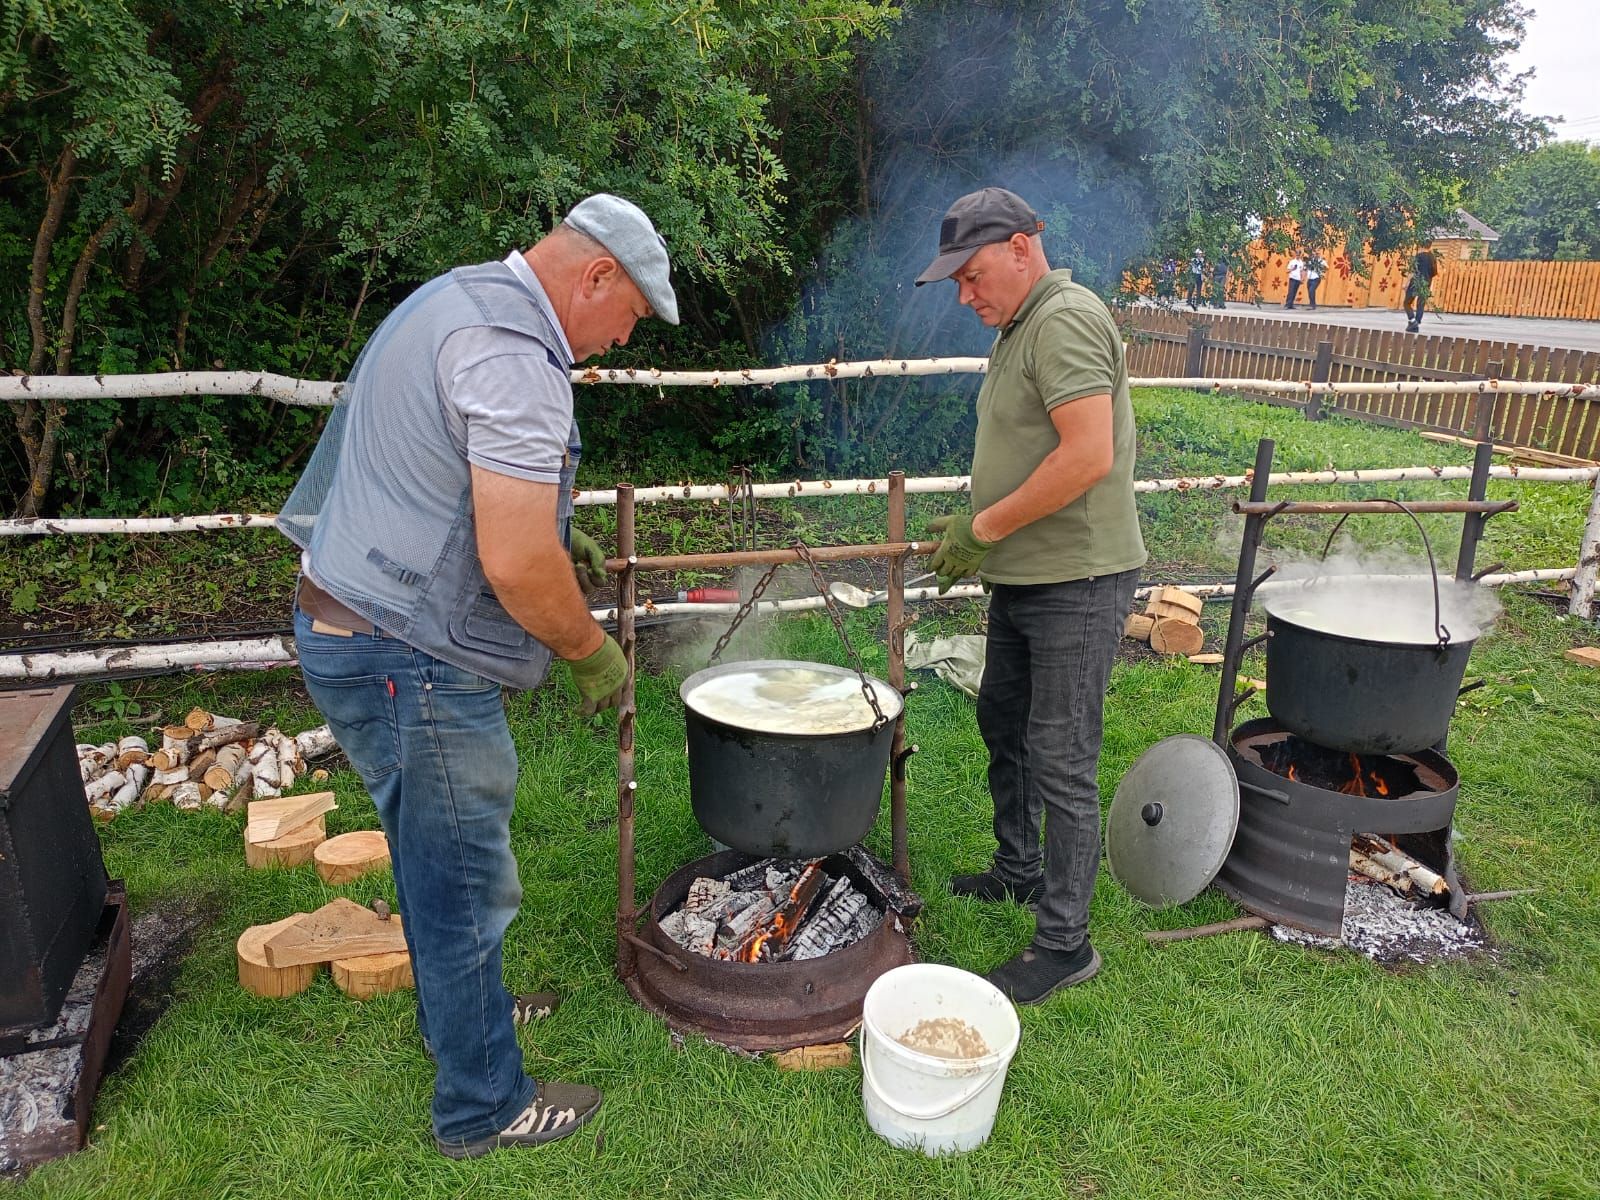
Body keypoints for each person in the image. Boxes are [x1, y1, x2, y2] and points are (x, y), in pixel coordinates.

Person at [276, 194, 677, 1157]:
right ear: (595, 276)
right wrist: (590, 650)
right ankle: (484, 1105)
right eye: (629, 316)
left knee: (427, 851)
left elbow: (438, 472)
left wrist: (552, 526)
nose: (621, 341)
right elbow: (514, 563)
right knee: (462, 878)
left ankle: (464, 1019)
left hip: (345, 625)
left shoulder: (452, 301)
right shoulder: (513, 357)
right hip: (408, 655)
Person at [914, 187, 1147, 1004]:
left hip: (1076, 580)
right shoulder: (1022, 326)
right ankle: (1019, 869)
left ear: (1022, 246)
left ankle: (1064, 944)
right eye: (956, 283)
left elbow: (1086, 456)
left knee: (1062, 757)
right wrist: (981, 518)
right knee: (1002, 720)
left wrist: (982, 529)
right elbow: (1030, 447)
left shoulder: (1065, 319)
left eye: (972, 276)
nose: (965, 295)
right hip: (1027, 574)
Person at [1404, 240, 1438, 332]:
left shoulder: (1418, 256)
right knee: (1420, 304)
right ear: (1430, 246)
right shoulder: (1432, 258)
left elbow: (1412, 271)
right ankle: (1416, 324)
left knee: (1407, 303)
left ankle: (1412, 320)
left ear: (1421, 246)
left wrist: (1407, 283)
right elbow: (1433, 273)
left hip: (1415, 283)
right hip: (1426, 283)